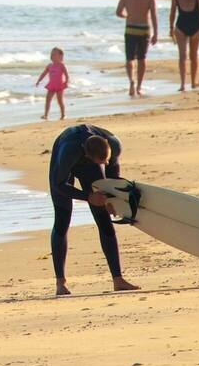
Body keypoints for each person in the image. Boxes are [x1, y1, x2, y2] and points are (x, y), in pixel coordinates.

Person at [47, 124, 141, 296]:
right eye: (102, 162)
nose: (106, 163)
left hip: (90, 162)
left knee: (104, 219)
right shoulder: (69, 152)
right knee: (62, 219)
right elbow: (59, 184)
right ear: (89, 157)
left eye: (107, 160)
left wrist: (112, 199)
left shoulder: (113, 144)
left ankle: (118, 280)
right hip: (64, 160)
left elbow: (112, 179)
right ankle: (60, 283)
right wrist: (88, 197)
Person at [115, 0, 158, 97]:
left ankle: (131, 82)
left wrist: (127, 16)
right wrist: (156, 33)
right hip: (144, 28)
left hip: (130, 28)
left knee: (129, 58)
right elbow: (154, 15)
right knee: (142, 58)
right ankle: (139, 86)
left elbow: (118, 12)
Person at [33, 47, 70, 120]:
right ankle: (45, 115)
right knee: (48, 100)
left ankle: (63, 115)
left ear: (60, 56)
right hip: (51, 85)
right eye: (51, 54)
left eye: (54, 54)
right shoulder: (50, 66)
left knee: (60, 101)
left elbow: (66, 75)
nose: (52, 56)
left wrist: (66, 82)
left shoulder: (61, 65)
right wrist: (38, 81)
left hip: (60, 85)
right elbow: (43, 74)